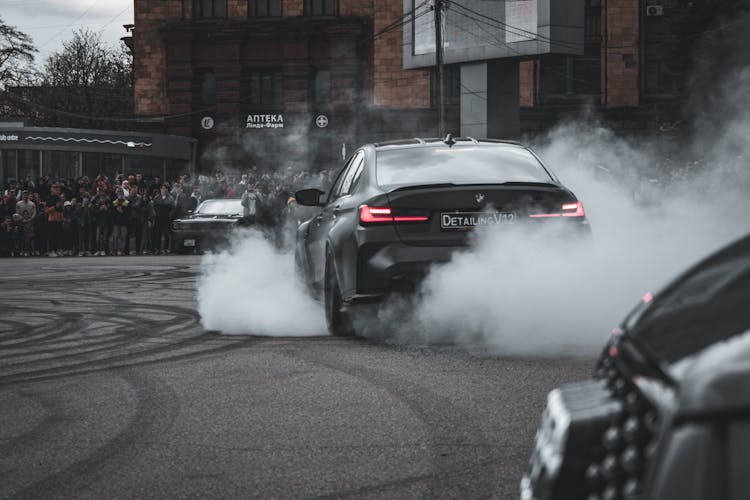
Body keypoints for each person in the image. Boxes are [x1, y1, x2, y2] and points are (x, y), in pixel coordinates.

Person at [153, 185, 174, 254]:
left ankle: (165, 249)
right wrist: (155, 215)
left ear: (167, 190)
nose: (164, 190)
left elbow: (173, 208)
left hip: (167, 218)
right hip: (158, 218)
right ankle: (157, 249)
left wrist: (170, 216)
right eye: (162, 189)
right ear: (160, 190)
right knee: (158, 234)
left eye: (165, 189)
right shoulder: (156, 198)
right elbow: (153, 208)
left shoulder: (170, 198)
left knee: (166, 234)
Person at [110, 187, 130, 256]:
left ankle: (122, 251)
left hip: (124, 222)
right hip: (116, 222)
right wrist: (116, 210)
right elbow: (111, 212)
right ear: (116, 193)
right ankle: (114, 251)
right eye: (118, 191)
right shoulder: (114, 202)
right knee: (115, 237)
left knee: (123, 237)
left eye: (121, 191)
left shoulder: (127, 201)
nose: (120, 193)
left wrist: (122, 211)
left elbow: (129, 212)